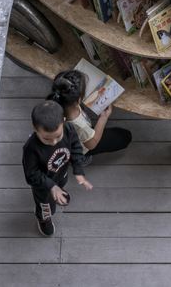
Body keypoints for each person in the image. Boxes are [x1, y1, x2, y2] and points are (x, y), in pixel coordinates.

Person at [22, 100, 93, 236]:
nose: (54, 142)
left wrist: (78, 170)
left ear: (64, 121)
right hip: (43, 186)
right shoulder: (31, 149)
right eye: (47, 139)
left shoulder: (68, 129)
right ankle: (44, 219)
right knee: (45, 206)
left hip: (61, 174)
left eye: (58, 136)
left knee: (61, 184)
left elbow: (76, 148)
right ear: (35, 129)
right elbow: (31, 175)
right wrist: (51, 186)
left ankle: (59, 191)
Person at [48, 70, 132, 163]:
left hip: (68, 139)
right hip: (81, 147)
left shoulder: (55, 103)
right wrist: (103, 117)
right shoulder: (80, 126)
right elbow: (91, 145)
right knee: (125, 136)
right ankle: (82, 159)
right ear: (79, 100)